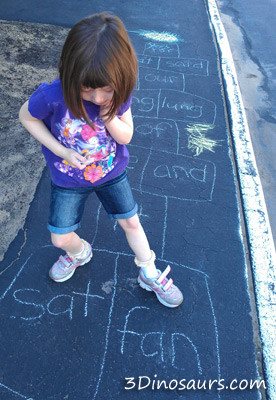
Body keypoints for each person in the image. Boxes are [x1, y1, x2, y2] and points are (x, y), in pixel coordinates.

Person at [19, 12, 183, 308]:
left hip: (111, 172)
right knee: (59, 237)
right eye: (87, 89)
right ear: (71, 73)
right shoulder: (54, 94)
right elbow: (26, 116)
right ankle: (79, 253)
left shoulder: (118, 92)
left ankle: (149, 271)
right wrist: (61, 151)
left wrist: (110, 116)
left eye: (105, 89)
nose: (96, 97)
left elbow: (126, 136)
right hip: (68, 177)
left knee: (131, 222)